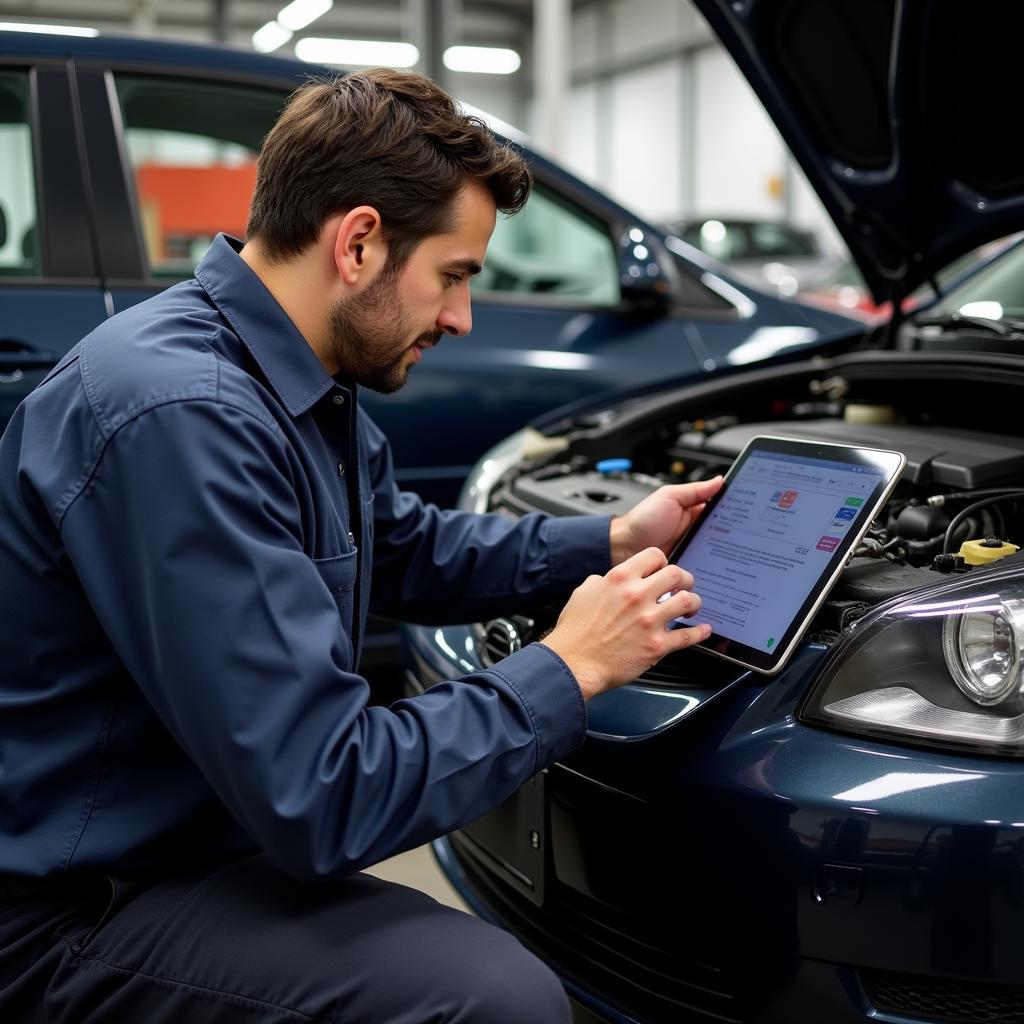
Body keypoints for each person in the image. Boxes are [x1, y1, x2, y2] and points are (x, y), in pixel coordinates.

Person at [0, 70, 721, 1022]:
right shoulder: (183, 414)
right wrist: (569, 666)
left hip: (182, 833)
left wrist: (615, 537)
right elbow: (322, 795)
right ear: (359, 243)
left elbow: (404, 543)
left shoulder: (287, 373)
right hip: (74, 908)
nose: (461, 318)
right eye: (455, 276)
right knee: (490, 1000)